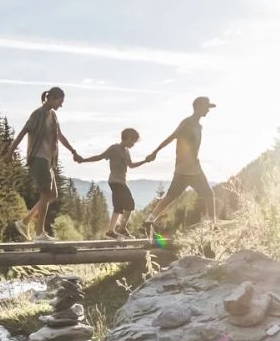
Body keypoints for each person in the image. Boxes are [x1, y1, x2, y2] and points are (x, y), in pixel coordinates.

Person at [3, 87, 82, 241]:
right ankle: (39, 233)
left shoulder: (53, 116)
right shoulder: (37, 114)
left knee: (52, 195)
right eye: (60, 101)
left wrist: (73, 151)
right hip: (38, 158)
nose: (61, 105)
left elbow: (59, 135)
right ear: (51, 98)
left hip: (48, 160)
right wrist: (10, 152)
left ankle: (24, 222)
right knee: (45, 193)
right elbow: (23, 132)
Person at [142, 96, 217, 231]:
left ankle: (150, 220)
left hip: (186, 167)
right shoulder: (187, 123)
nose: (208, 110)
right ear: (198, 107)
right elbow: (172, 137)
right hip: (189, 168)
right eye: (207, 107)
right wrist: (155, 152)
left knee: (172, 196)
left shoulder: (197, 125)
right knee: (208, 194)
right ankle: (213, 225)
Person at [76, 128, 146, 238]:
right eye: (133, 141)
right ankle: (111, 231)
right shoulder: (114, 148)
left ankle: (121, 229)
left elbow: (131, 165)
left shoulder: (127, 151)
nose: (133, 144)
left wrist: (145, 161)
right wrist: (83, 160)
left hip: (122, 182)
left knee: (129, 205)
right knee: (119, 206)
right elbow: (99, 157)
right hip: (115, 181)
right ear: (127, 138)